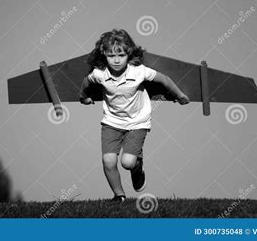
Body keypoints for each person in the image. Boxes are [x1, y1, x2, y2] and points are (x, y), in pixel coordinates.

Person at [79, 29, 190, 202]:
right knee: (108, 161)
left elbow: (164, 79)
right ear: (104, 55)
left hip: (137, 122)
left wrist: (179, 94)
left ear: (128, 54)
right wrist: (83, 97)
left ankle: (137, 167)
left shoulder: (138, 71)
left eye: (121, 55)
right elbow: (86, 82)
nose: (116, 60)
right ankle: (119, 196)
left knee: (127, 162)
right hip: (111, 122)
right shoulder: (100, 74)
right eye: (111, 56)